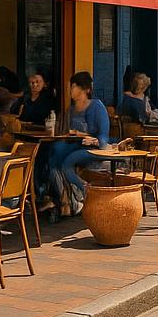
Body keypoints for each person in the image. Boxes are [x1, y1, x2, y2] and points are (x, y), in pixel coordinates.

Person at [46, 71, 111, 216]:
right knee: (53, 154)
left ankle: (83, 191)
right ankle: (65, 198)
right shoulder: (72, 109)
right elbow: (69, 131)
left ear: (85, 89)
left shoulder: (97, 107)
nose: (70, 90)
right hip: (75, 144)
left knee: (66, 163)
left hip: (93, 147)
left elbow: (103, 137)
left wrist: (89, 138)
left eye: (73, 87)